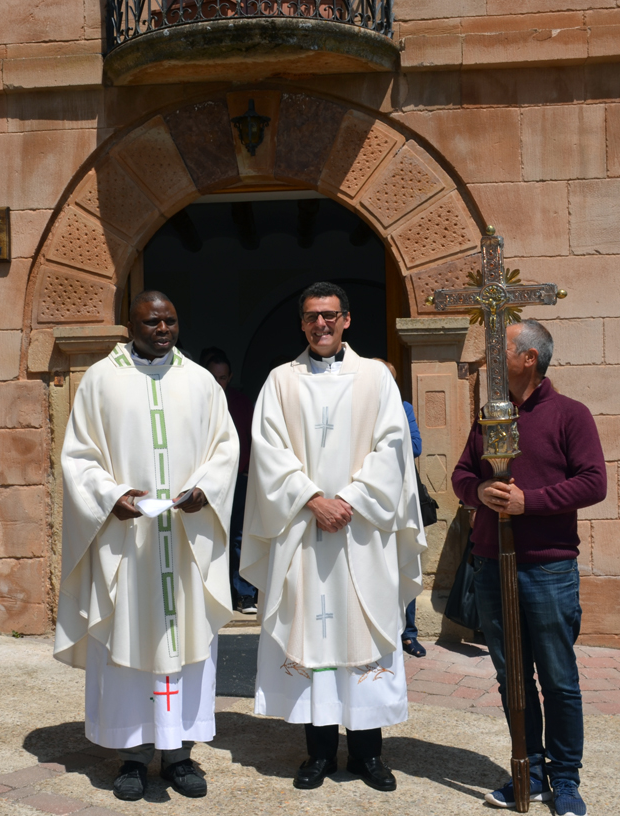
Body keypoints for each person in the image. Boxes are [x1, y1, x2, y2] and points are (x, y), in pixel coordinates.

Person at [54, 291, 239, 802]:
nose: (163, 329)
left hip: (184, 543)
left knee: (188, 643)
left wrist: (206, 489)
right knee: (127, 642)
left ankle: (179, 755)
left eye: (170, 321)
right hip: (128, 547)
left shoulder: (200, 382)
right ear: (130, 325)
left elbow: (226, 449)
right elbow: (79, 457)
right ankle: (132, 756)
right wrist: (111, 496)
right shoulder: (101, 380)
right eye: (152, 321)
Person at [241, 282, 426, 792]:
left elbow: (393, 447)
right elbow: (268, 451)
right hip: (303, 531)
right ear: (302, 324)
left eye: (329, 315)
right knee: (312, 635)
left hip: (361, 532)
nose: (320, 324)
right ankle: (319, 753)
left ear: (346, 319)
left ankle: (368, 755)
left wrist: (350, 498)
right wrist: (311, 499)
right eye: (310, 317)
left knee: (362, 627)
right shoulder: (281, 381)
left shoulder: (375, 378)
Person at [452, 319, 606, 816]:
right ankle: (531, 771)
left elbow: (594, 482)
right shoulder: (489, 417)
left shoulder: (570, 415)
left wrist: (529, 502)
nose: (491, 359)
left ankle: (565, 779)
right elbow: (461, 474)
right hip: (490, 565)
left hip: (547, 568)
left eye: (501, 349)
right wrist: (478, 491)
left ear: (528, 359)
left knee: (558, 678)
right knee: (512, 678)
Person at [374, 359, 427, 659]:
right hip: (364, 500)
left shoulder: (403, 408)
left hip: (398, 499)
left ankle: (408, 633)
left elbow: (416, 446)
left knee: (403, 559)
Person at [201, 347, 257, 614]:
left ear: (230, 377)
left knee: (240, 538)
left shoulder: (241, 402)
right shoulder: (196, 401)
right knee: (210, 535)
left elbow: (253, 438)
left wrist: (249, 471)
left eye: (222, 377)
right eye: (213, 377)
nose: (218, 383)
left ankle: (245, 595)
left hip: (240, 481)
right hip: (206, 484)